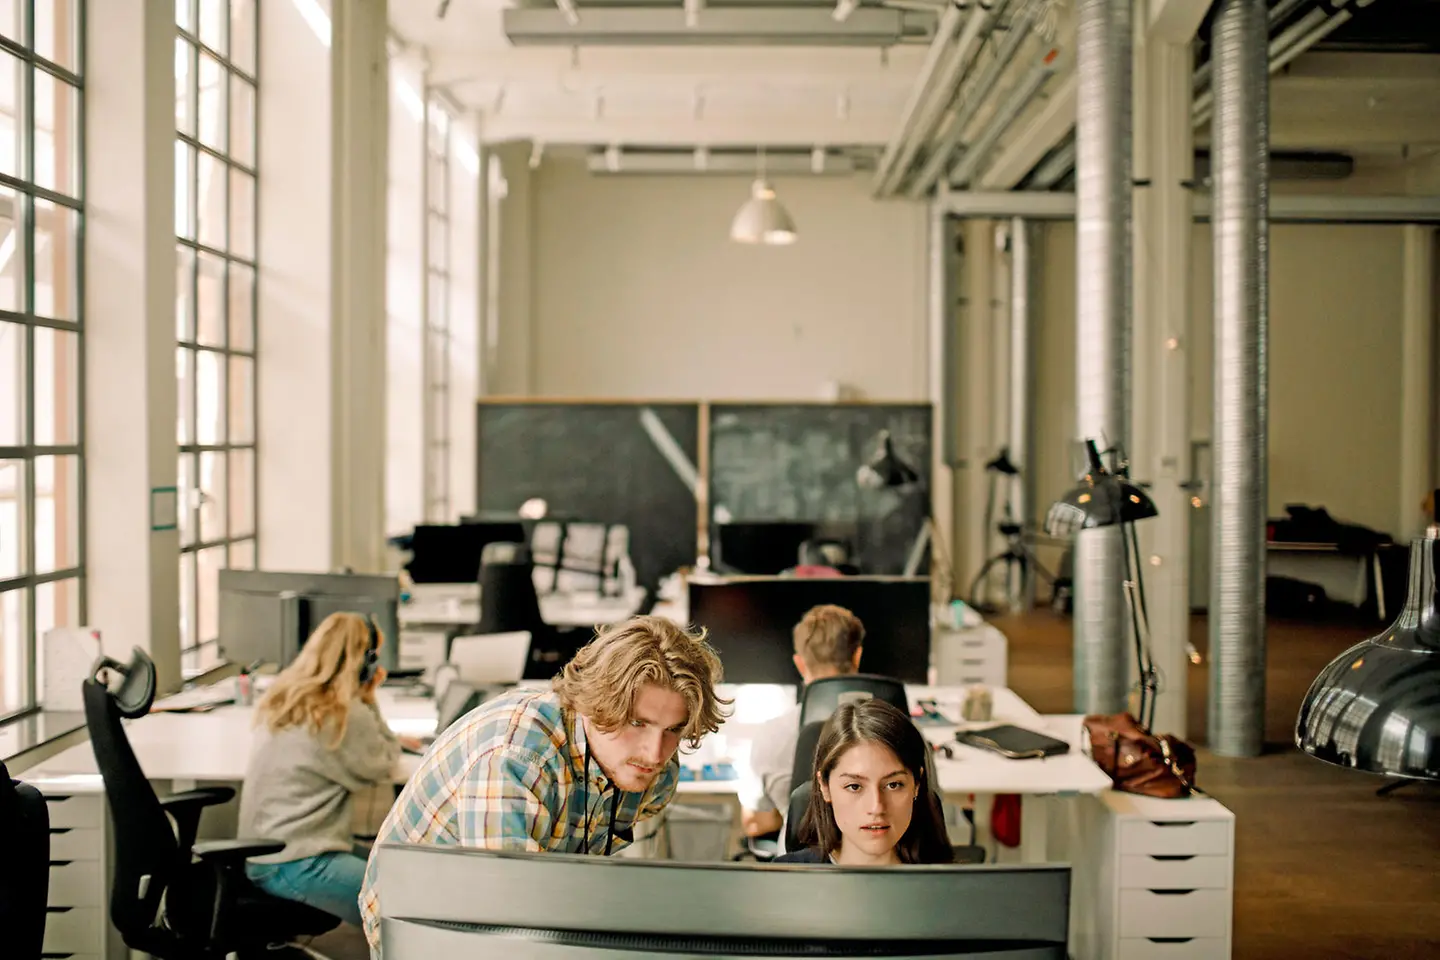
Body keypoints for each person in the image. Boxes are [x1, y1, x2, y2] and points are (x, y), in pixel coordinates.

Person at [359, 615, 730, 955]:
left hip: (529, 904)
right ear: (596, 704)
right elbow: (508, 917)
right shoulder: (516, 758)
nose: (654, 753)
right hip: (419, 924)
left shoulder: (651, 768)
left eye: (673, 730)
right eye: (636, 723)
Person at [237, 612, 420, 927]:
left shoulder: (287, 697)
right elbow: (383, 761)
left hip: (269, 853)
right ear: (365, 662)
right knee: (410, 907)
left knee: (399, 867)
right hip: (298, 861)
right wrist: (370, 697)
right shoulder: (343, 713)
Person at [774, 698, 953, 865]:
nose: (876, 807)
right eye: (854, 787)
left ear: (917, 784)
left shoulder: (950, 887)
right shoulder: (780, 881)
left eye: (893, 785)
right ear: (825, 786)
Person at [740, 604, 865, 838]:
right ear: (857, 656)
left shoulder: (771, 735)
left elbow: (755, 824)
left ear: (800, 664)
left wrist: (793, 812)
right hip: (886, 865)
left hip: (801, 869)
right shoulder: (902, 729)